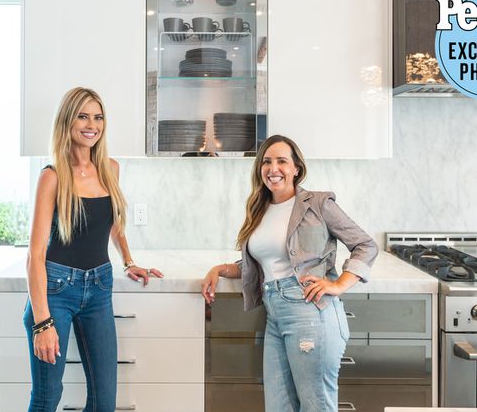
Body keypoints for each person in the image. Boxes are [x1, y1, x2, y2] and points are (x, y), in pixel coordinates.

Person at [201, 134, 377, 412]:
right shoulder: (259, 209)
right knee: (279, 407)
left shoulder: (318, 204)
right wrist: (219, 269)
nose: (273, 169)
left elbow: (365, 245)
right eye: (267, 162)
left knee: (316, 406)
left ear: (296, 168)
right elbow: (263, 264)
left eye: (282, 161)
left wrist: (339, 284)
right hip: (276, 317)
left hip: (311, 315)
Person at [23, 87, 163, 412]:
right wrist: (42, 323)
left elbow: (112, 221)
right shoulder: (52, 176)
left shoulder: (110, 168)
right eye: (83, 116)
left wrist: (129, 260)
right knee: (47, 398)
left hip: (99, 288)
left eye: (98, 117)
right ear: (68, 121)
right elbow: (34, 254)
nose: (92, 124)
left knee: (104, 402)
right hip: (55, 290)